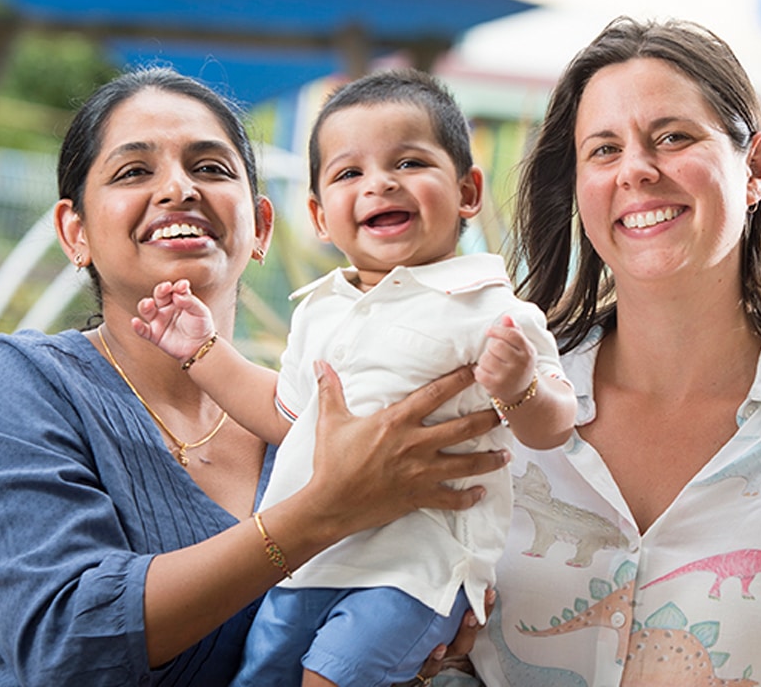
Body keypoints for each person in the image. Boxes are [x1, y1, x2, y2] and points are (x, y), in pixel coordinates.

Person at [0, 67, 509, 687]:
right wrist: (317, 515)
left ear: (261, 228)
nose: (179, 189)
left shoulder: (316, 416)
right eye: (134, 170)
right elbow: (69, 645)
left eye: (210, 168)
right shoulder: (20, 384)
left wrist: (431, 601)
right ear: (74, 232)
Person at [464, 17, 761, 686]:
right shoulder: (491, 405)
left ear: (757, 169)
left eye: (673, 137)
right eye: (603, 150)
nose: (636, 169)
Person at [133, 68, 576, 687]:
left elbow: (555, 423)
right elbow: (288, 419)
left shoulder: (491, 308)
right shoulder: (320, 306)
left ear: (469, 190)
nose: (381, 183)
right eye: (349, 173)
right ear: (318, 215)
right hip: (305, 564)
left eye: (411, 162)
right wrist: (203, 351)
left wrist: (521, 385)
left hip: (413, 572)